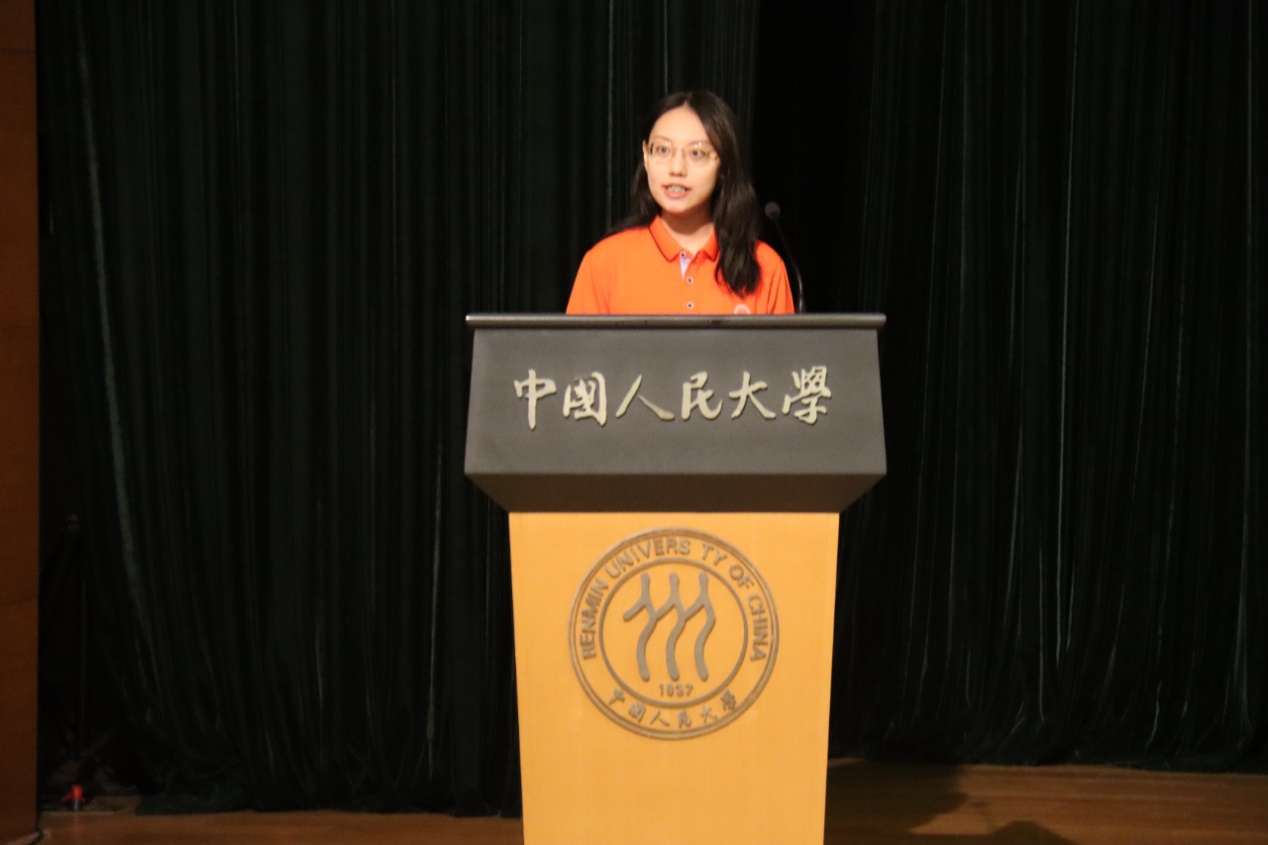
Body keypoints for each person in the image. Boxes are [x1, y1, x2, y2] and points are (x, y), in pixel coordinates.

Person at [566, 91, 794, 315]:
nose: (676, 169)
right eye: (663, 150)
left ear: (724, 166)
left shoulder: (765, 266)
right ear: (646, 156)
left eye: (696, 153)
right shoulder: (604, 262)